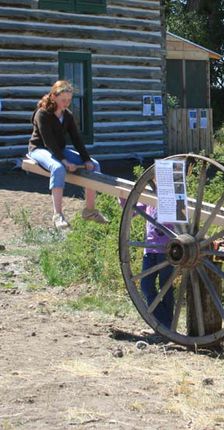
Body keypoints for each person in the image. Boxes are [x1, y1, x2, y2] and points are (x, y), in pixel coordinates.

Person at [28, 80, 108, 229]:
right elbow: (48, 142)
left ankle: (90, 211)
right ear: (53, 97)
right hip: (39, 149)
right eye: (63, 100)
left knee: (95, 165)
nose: (67, 103)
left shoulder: (68, 115)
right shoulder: (43, 114)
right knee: (58, 168)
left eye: (69, 100)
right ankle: (57, 215)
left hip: (58, 149)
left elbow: (76, 138)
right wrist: (64, 161)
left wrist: (86, 159)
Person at [120, 198, 175, 329]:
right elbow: (133, 212)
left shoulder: (169, 195)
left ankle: (167, 326)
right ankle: (164, 322)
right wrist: (121, 197)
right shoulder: (148, 198)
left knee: (166, 287)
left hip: (167, 249)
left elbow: (182, 216)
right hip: (149, 248)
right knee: (146, 285)